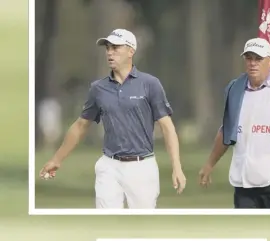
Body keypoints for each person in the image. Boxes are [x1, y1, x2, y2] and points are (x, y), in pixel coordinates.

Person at [39, 29, 186, 209]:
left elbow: (167, 127)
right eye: (108, 48)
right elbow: (80, 126)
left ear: (131, 51)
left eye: (116, 48)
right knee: (106, 221)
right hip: (109, 165)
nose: (110, 52)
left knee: (142, 227)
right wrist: (57, 160)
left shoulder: (150, 84)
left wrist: (176, 167)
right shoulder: (98, 88)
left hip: (142, 167)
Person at [199, 37, 270, 209]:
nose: (253, 63)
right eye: (249, 58)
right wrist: (209, 164)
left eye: (258, 59)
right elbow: (227, 130)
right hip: (245, 176)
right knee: (246, 231)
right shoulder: (235, 89)